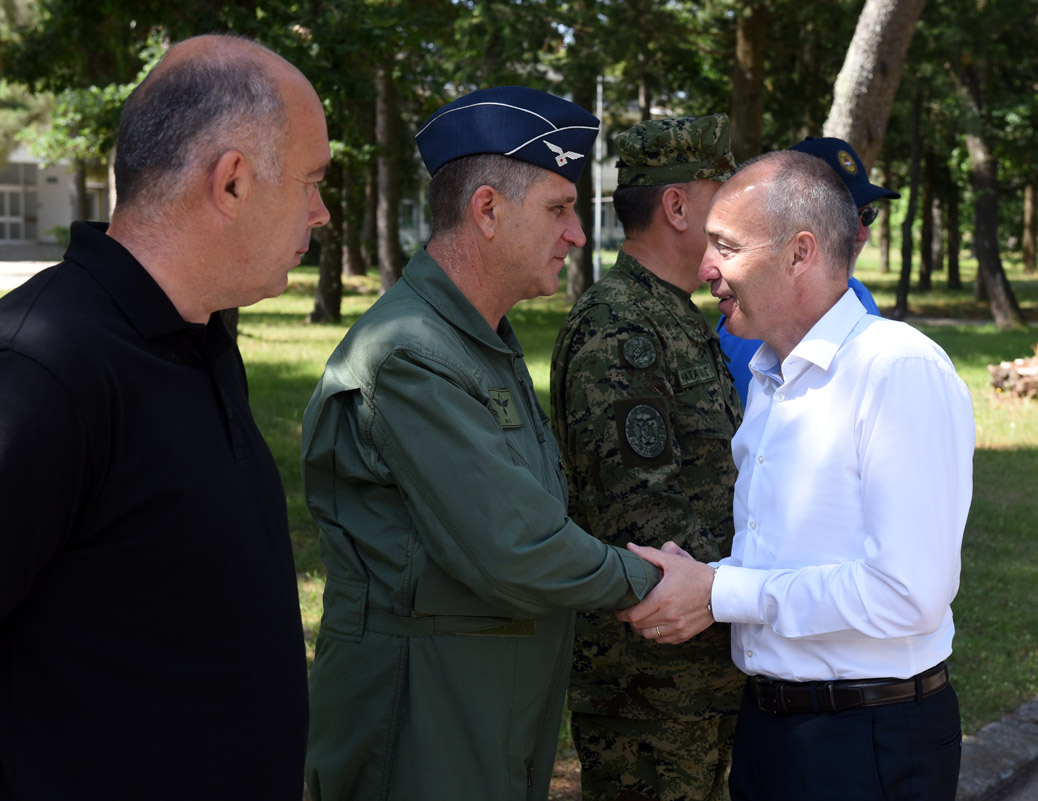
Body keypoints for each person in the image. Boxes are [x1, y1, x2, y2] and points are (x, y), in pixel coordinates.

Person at [301, 86, 661, 801]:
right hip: (418, 720)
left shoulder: (475, 340)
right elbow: (517, 545)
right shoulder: (409, 354)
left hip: (482, 709)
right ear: (487, 210)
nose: (577, 235)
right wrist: (652, 581)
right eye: (559, 209)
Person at [0, 35, 329, 800]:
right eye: (312, 181)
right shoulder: (45, 367)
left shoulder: (201, 341)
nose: (321, 212)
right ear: (233, 181)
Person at [617, 150, 975, 801]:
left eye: (726, 246)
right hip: (772, 729)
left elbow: (908, 592)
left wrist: (721, 592)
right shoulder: (769, 376)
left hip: (865, 740)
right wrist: (701, 579)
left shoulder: (896, 369)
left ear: (799, 253)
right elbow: (790, 556)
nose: (706, 268)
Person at [549, 115, 744, 801]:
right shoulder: (620, 325)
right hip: (649, 687)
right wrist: (746, 589)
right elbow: (642, 516)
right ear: (678, 206)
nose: (735, 215)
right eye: (722, 196)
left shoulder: (674, 314)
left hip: (701, 671)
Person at [717, 136, 900, 402]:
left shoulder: (857, 296)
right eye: (848, 217)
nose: (861, 234)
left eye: (867, 215)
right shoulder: (748, 312)